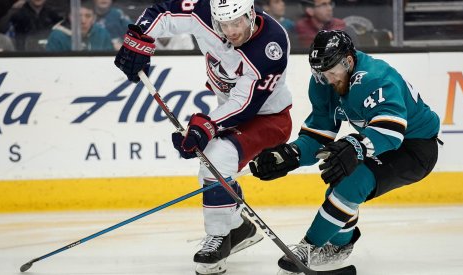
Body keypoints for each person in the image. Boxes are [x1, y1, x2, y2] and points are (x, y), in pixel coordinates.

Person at [113, 0, 293, 274]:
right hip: (231, 112)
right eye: (224, 24)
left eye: (237, 23)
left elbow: (245, 105)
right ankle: (238, 227)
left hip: (270, 118)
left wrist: (205, 127)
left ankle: (219, 237)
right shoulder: (204, 11)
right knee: (212, 163)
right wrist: (139, 37)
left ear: (251, 14)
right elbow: (162, 13)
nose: (230, 31)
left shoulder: (272, 45)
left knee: (215, 156)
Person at [249, 30, 441, 274]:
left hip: (415, 148)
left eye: (331, 73)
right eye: (320, 73)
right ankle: (340, 246)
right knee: (340, 184)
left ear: (348, 61)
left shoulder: (375, 77)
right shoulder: (323, 80)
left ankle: (307, 248)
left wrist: (355, 145)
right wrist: (290, 155)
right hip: (381, 140)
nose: (327, 80)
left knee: (352, 182)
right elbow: (319, 134)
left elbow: (392, 132)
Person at [46, 0, 112, 51]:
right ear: (70, 17)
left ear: (94, 18)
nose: (83, 21)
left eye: (88, 16)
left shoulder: (103, 34)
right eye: (78, 16)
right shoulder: (57, 37)